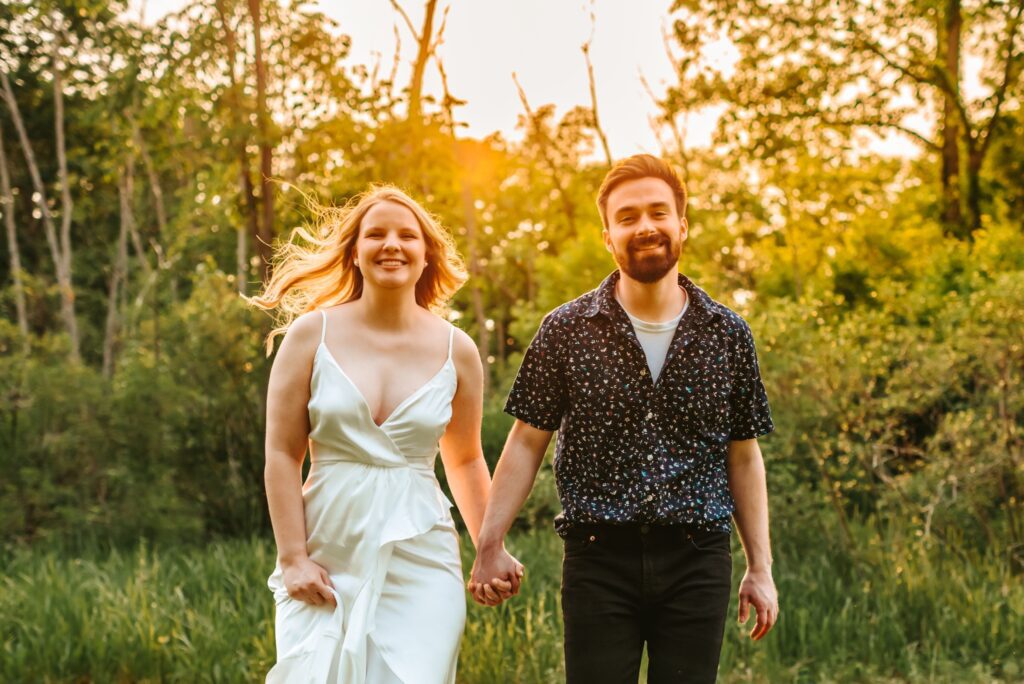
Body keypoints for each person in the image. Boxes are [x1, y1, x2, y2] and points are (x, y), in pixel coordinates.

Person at [469, 155, 779, 683]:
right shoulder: (566, 330)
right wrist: (489, 542)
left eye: (658, 212)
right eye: (628, 216)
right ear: (608, 236)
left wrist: (761, 568)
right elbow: (525, 442)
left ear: (682, 225)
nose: (646, 226)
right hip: (597, 557)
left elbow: (744, 456)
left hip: (697, 555)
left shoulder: (728, 333)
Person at [251, 185, 518, 683]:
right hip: (328, 548)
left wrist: (490, 546)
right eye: (375, 234)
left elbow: (463, 460)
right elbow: (282, 455)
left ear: (426, 255)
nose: (391, 244)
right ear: (355, 253)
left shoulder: (456, 349)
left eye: (406, 235)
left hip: (421, 554)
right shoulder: (312, 335)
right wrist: (293, 559)